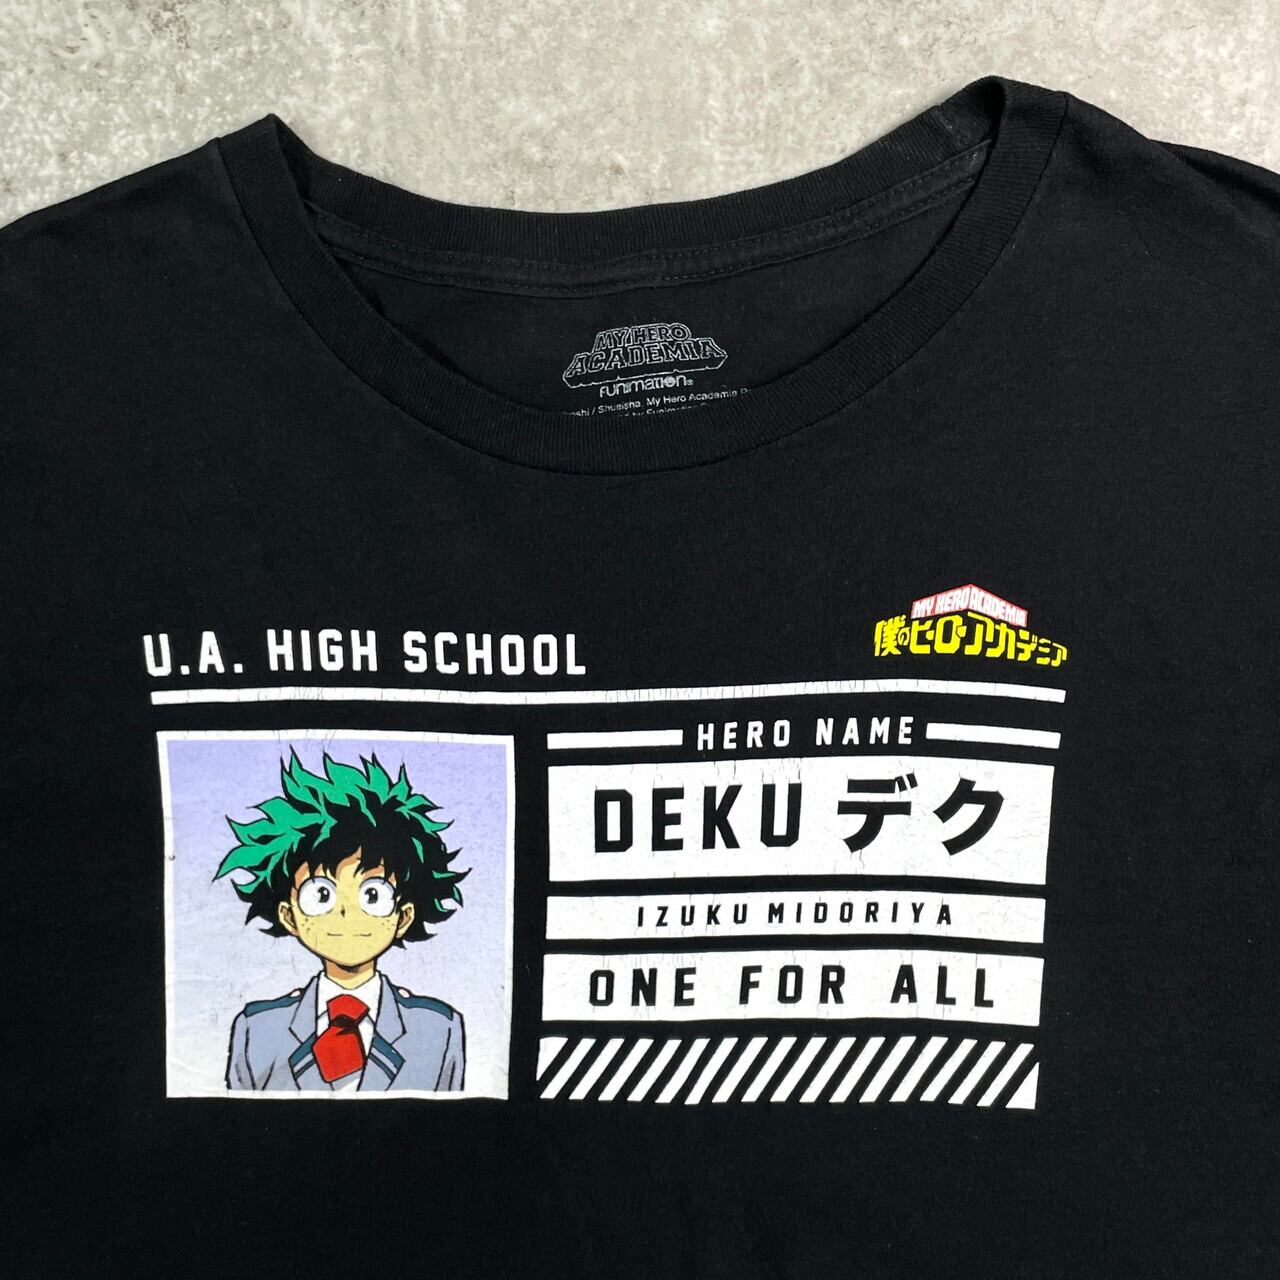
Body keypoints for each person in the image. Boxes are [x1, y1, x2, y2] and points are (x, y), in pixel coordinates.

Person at [216, 749, 468, 1092]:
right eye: (321, 895)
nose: (346, 913)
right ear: (289, 915)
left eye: (372, 895)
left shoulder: (438, 1028)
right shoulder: (258, 1030)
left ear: (404, 917)